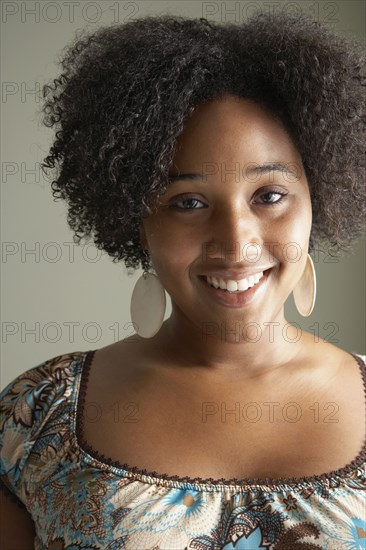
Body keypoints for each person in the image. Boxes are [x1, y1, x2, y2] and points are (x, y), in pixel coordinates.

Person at [1, 11, 365, 549]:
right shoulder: (37, 416)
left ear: (319, 198)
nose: (238, 243)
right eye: (188, 202)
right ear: (135, 217)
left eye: (269, 196)